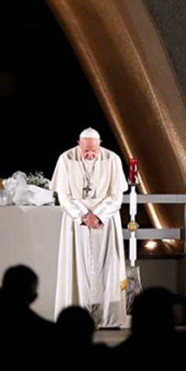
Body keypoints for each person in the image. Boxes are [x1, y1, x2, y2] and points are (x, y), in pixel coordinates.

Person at [50, 128, 128, 328]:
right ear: (79, 144)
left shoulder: (112, 159)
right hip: (77, 222)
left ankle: (108, 318)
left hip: (105, 221)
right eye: (86, 151)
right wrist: (84, 216)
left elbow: (117, 196)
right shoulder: (66, 159)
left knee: (108, 267)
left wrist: (98, 215)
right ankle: (77, 317)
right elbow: (64, 196)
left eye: (94, 150)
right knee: (77, 267)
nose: (90, 155)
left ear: (100, 144)